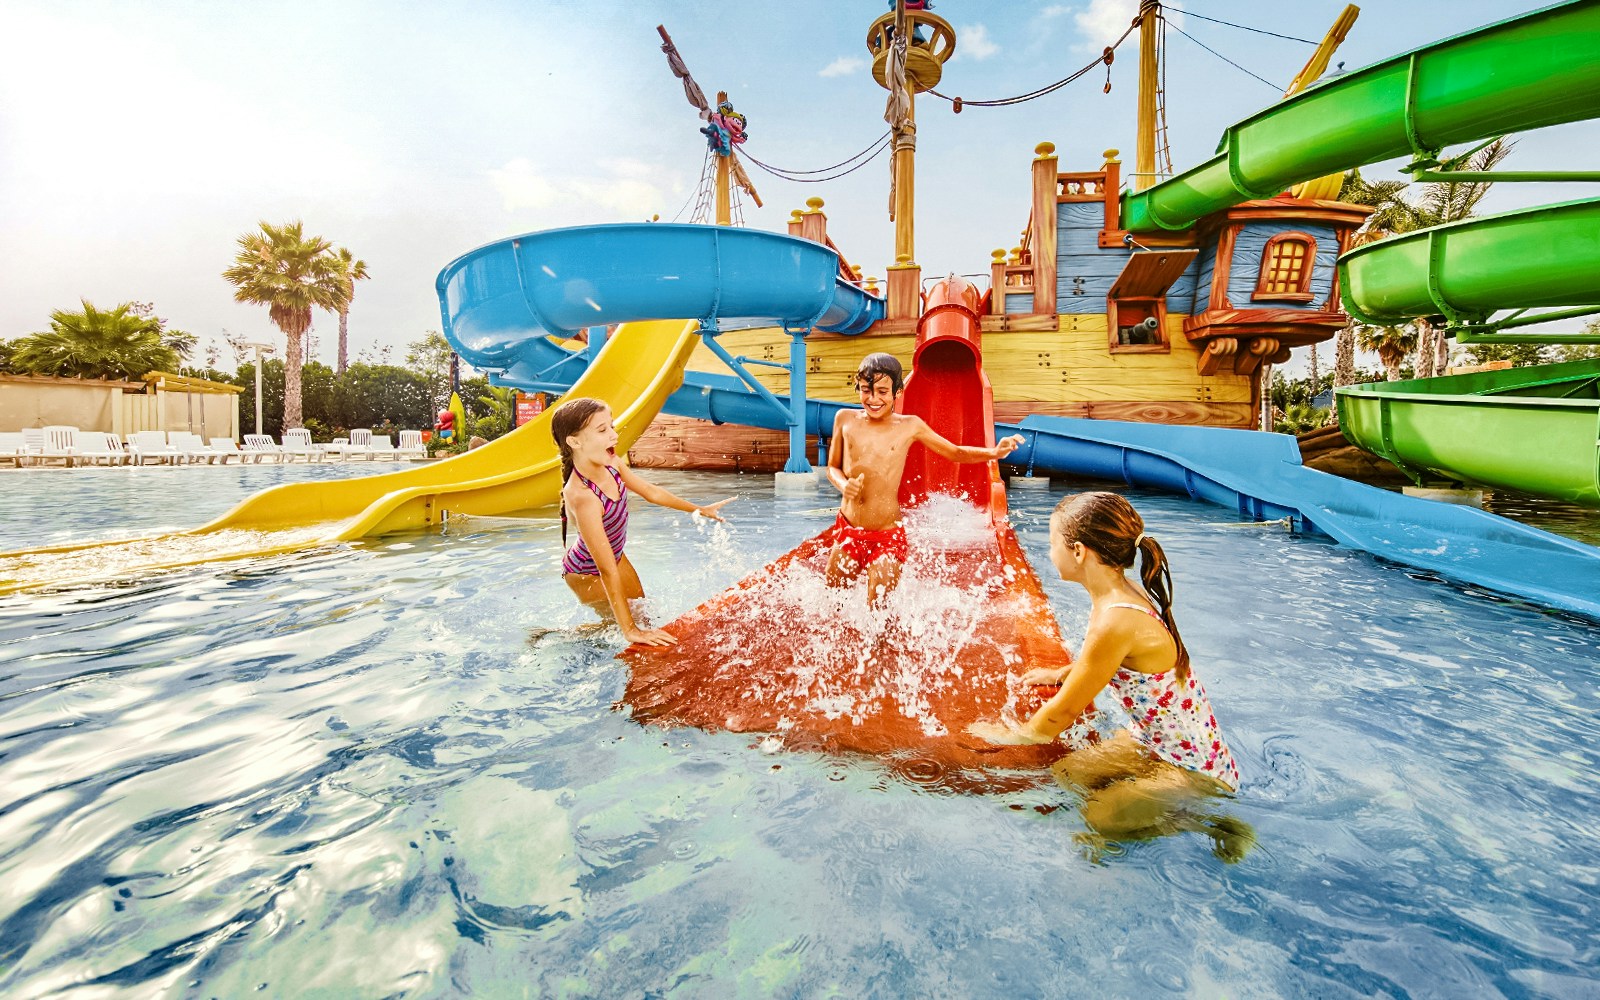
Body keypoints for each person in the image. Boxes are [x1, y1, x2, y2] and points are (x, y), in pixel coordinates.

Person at [968, 491, 1250, 859]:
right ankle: (1160, 800)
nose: (1049, 552)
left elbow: (1057, 717)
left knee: (1099, 816)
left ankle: (1203, 820)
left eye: (1053, 543)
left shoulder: (1115, 618)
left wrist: (1013, 735)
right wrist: (1060, 672)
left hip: (1195, 769)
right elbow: (1108, 661)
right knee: (1069, 773)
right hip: (1155, 742)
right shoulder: (1118, 594)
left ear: (1080, 551)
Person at [826, 353, 1023, 602]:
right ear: (858, 387)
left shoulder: (910, 425)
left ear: (898, 392)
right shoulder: (844, 419)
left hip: (887, 535)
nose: (874, 399)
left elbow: (954, 451)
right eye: (866, 390)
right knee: (834, 602)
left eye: (883, 392)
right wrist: (844, 485)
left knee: (879, 608)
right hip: (849, 529)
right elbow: (832, 467)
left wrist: (994, 452)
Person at [552, 397, 735, 647]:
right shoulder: (583, 496)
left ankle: (628, 628)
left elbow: (651, 491)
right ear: (574, 442)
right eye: (602, 430)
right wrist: (631, 631)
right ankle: (557, 637)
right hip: (585, 571)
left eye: (612, 426)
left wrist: (699, 509)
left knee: (642, 612)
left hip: (615, 556)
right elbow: (605, 570)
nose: (614, 436)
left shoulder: (613, 464)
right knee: (618, 627)